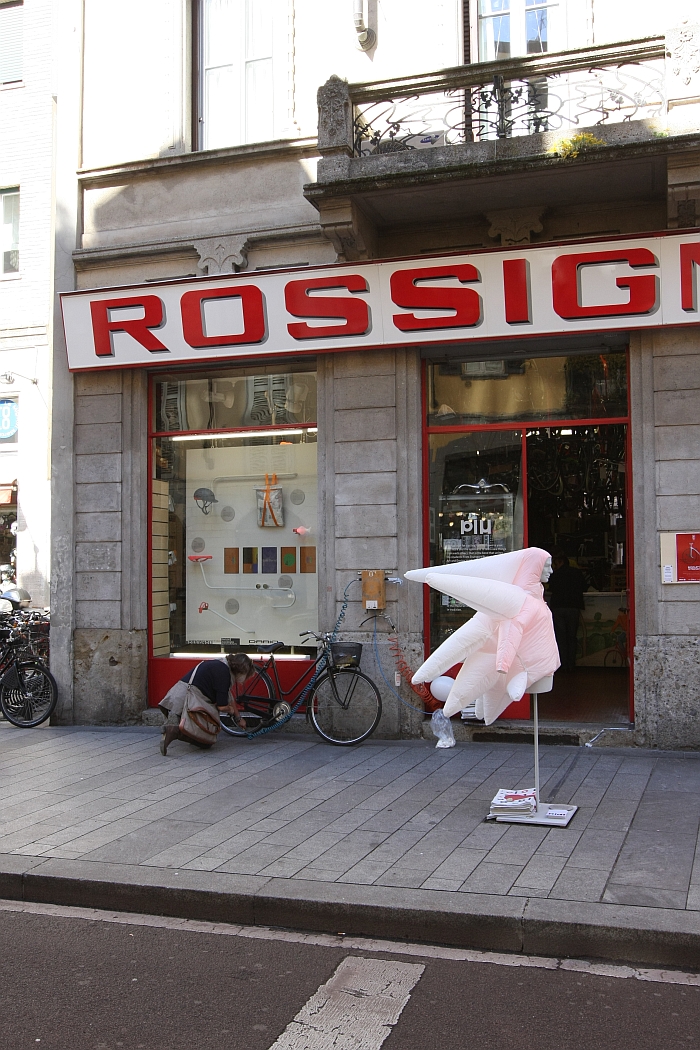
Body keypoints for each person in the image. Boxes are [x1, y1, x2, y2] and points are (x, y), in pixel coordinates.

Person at [159, 652, 254, 755]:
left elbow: (229, 697)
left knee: (189, 727)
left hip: (178, 695)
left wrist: (238, 717)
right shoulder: (224, 675)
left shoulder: (220, 664)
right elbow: (222, 706)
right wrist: (231, 710)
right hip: (191, 699)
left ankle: (172, 729)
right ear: (241, 672)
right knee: (206, 742)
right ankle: (174, 732)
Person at [547, 550, 587, 672]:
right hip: (573, 607)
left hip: (558, 607)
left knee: (561, 637)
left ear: (560, 562)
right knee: (572, 636)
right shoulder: (576, 573)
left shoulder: (555, 574)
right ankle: (571, 664)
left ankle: (562, 664)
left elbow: (550, 588)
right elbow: (584, 587)